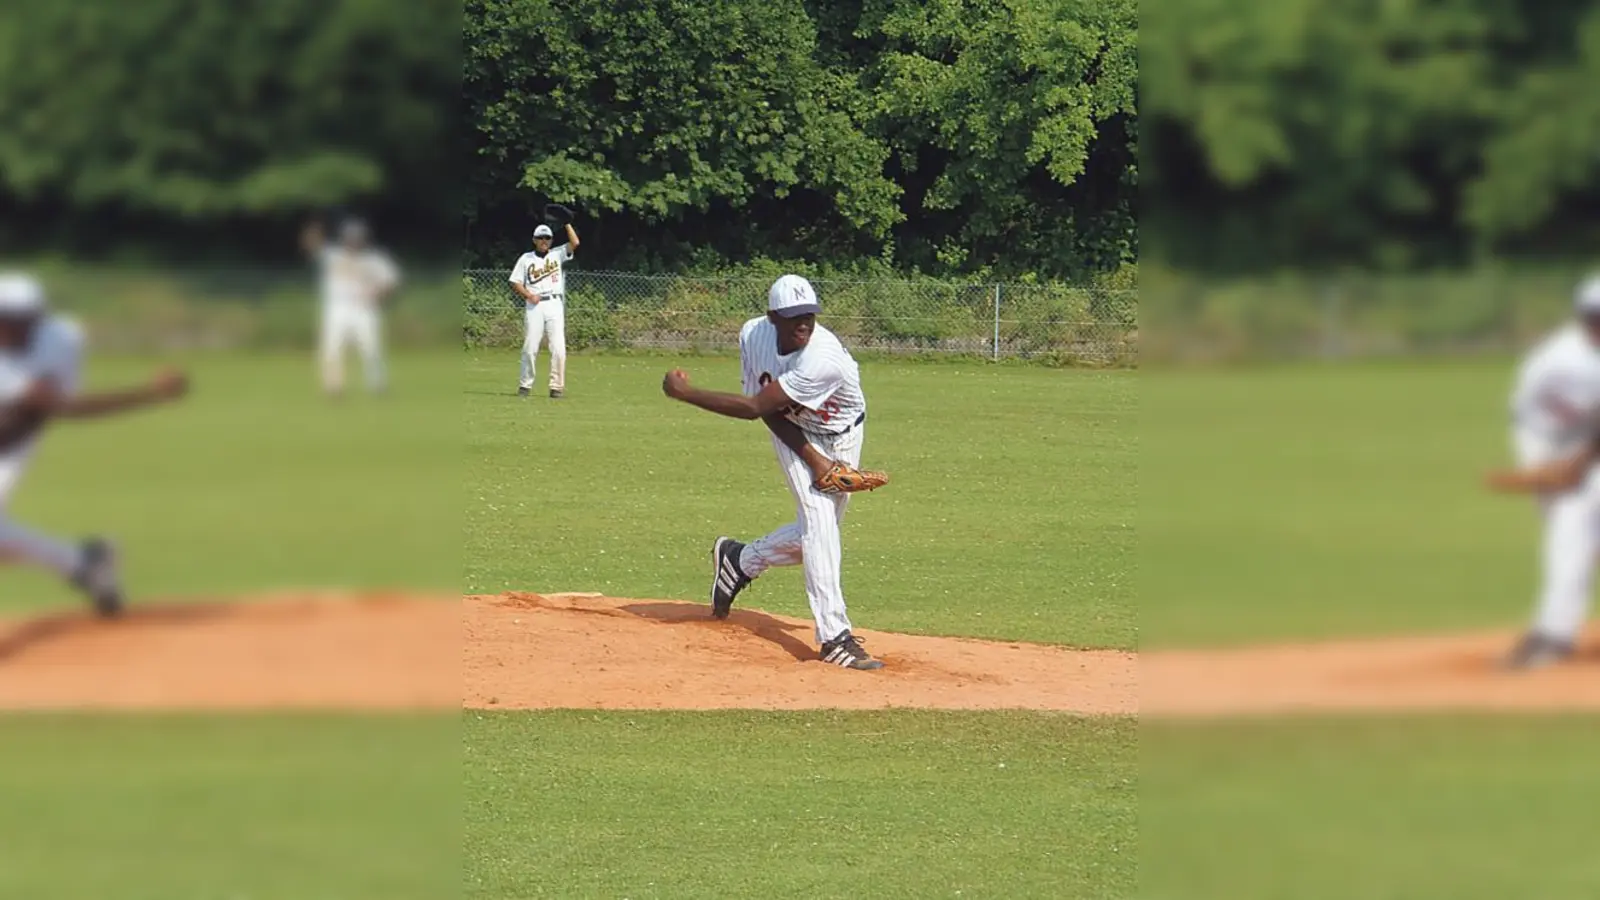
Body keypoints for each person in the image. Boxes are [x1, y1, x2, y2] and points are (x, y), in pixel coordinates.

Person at [661, 274, 883, 670]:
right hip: (792, 428)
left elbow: (754, 406)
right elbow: (760, 409)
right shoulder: (754, 335)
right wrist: (814, 460)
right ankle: (834, 637)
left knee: (821, 534)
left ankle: (741, 560)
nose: (803, 324)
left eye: (809, 316)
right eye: (794, 316)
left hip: (842, 433)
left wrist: (685, 393)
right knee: (818, 525)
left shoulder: (822, 359)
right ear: (772, 318)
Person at [0, 273, 189, 616]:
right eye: (5, 319)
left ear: (38, 319)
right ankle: (85, 562)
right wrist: (152, 395)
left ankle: (85, 563)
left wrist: (152, 392)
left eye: (19, 320)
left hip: (10, 448)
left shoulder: (62, 338)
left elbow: (61, 406)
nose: (10, 328)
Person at [1496, 274, 1600, 668]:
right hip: (1546, 441)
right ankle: (1553, 633)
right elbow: (1575, 432)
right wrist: (1549, 468)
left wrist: (1583, 462)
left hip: (1586, 444)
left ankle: (1553, 635)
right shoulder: (1565, 363)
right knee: (1575, 530)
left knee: (1573, 530)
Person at [300, 216, 400, 397]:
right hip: (337, 308)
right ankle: (334, 388)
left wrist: (376, 294)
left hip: (364, 309)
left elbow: (390, 282)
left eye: (357, 238)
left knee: (371, 348)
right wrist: (313, 226)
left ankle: (377, 386)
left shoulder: (374, 259)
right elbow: (311, 246)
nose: (353, 241)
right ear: (344, 238)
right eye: (350, 238)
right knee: (331, 349)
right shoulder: (332, 255)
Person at [509, 221, 579, 398]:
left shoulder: (557, 254)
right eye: (540, 237)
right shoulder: (526, 258)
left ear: (551, 240)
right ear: (534, 240)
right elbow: (515, 281)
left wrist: (567, 223)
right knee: (530, 346)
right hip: (534, 305)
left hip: (555, 304)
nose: (544, 240)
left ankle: (556, 387)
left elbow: (575, 243)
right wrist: (528, 295)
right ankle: (525, 385)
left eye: (547, 237)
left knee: (558, 348)